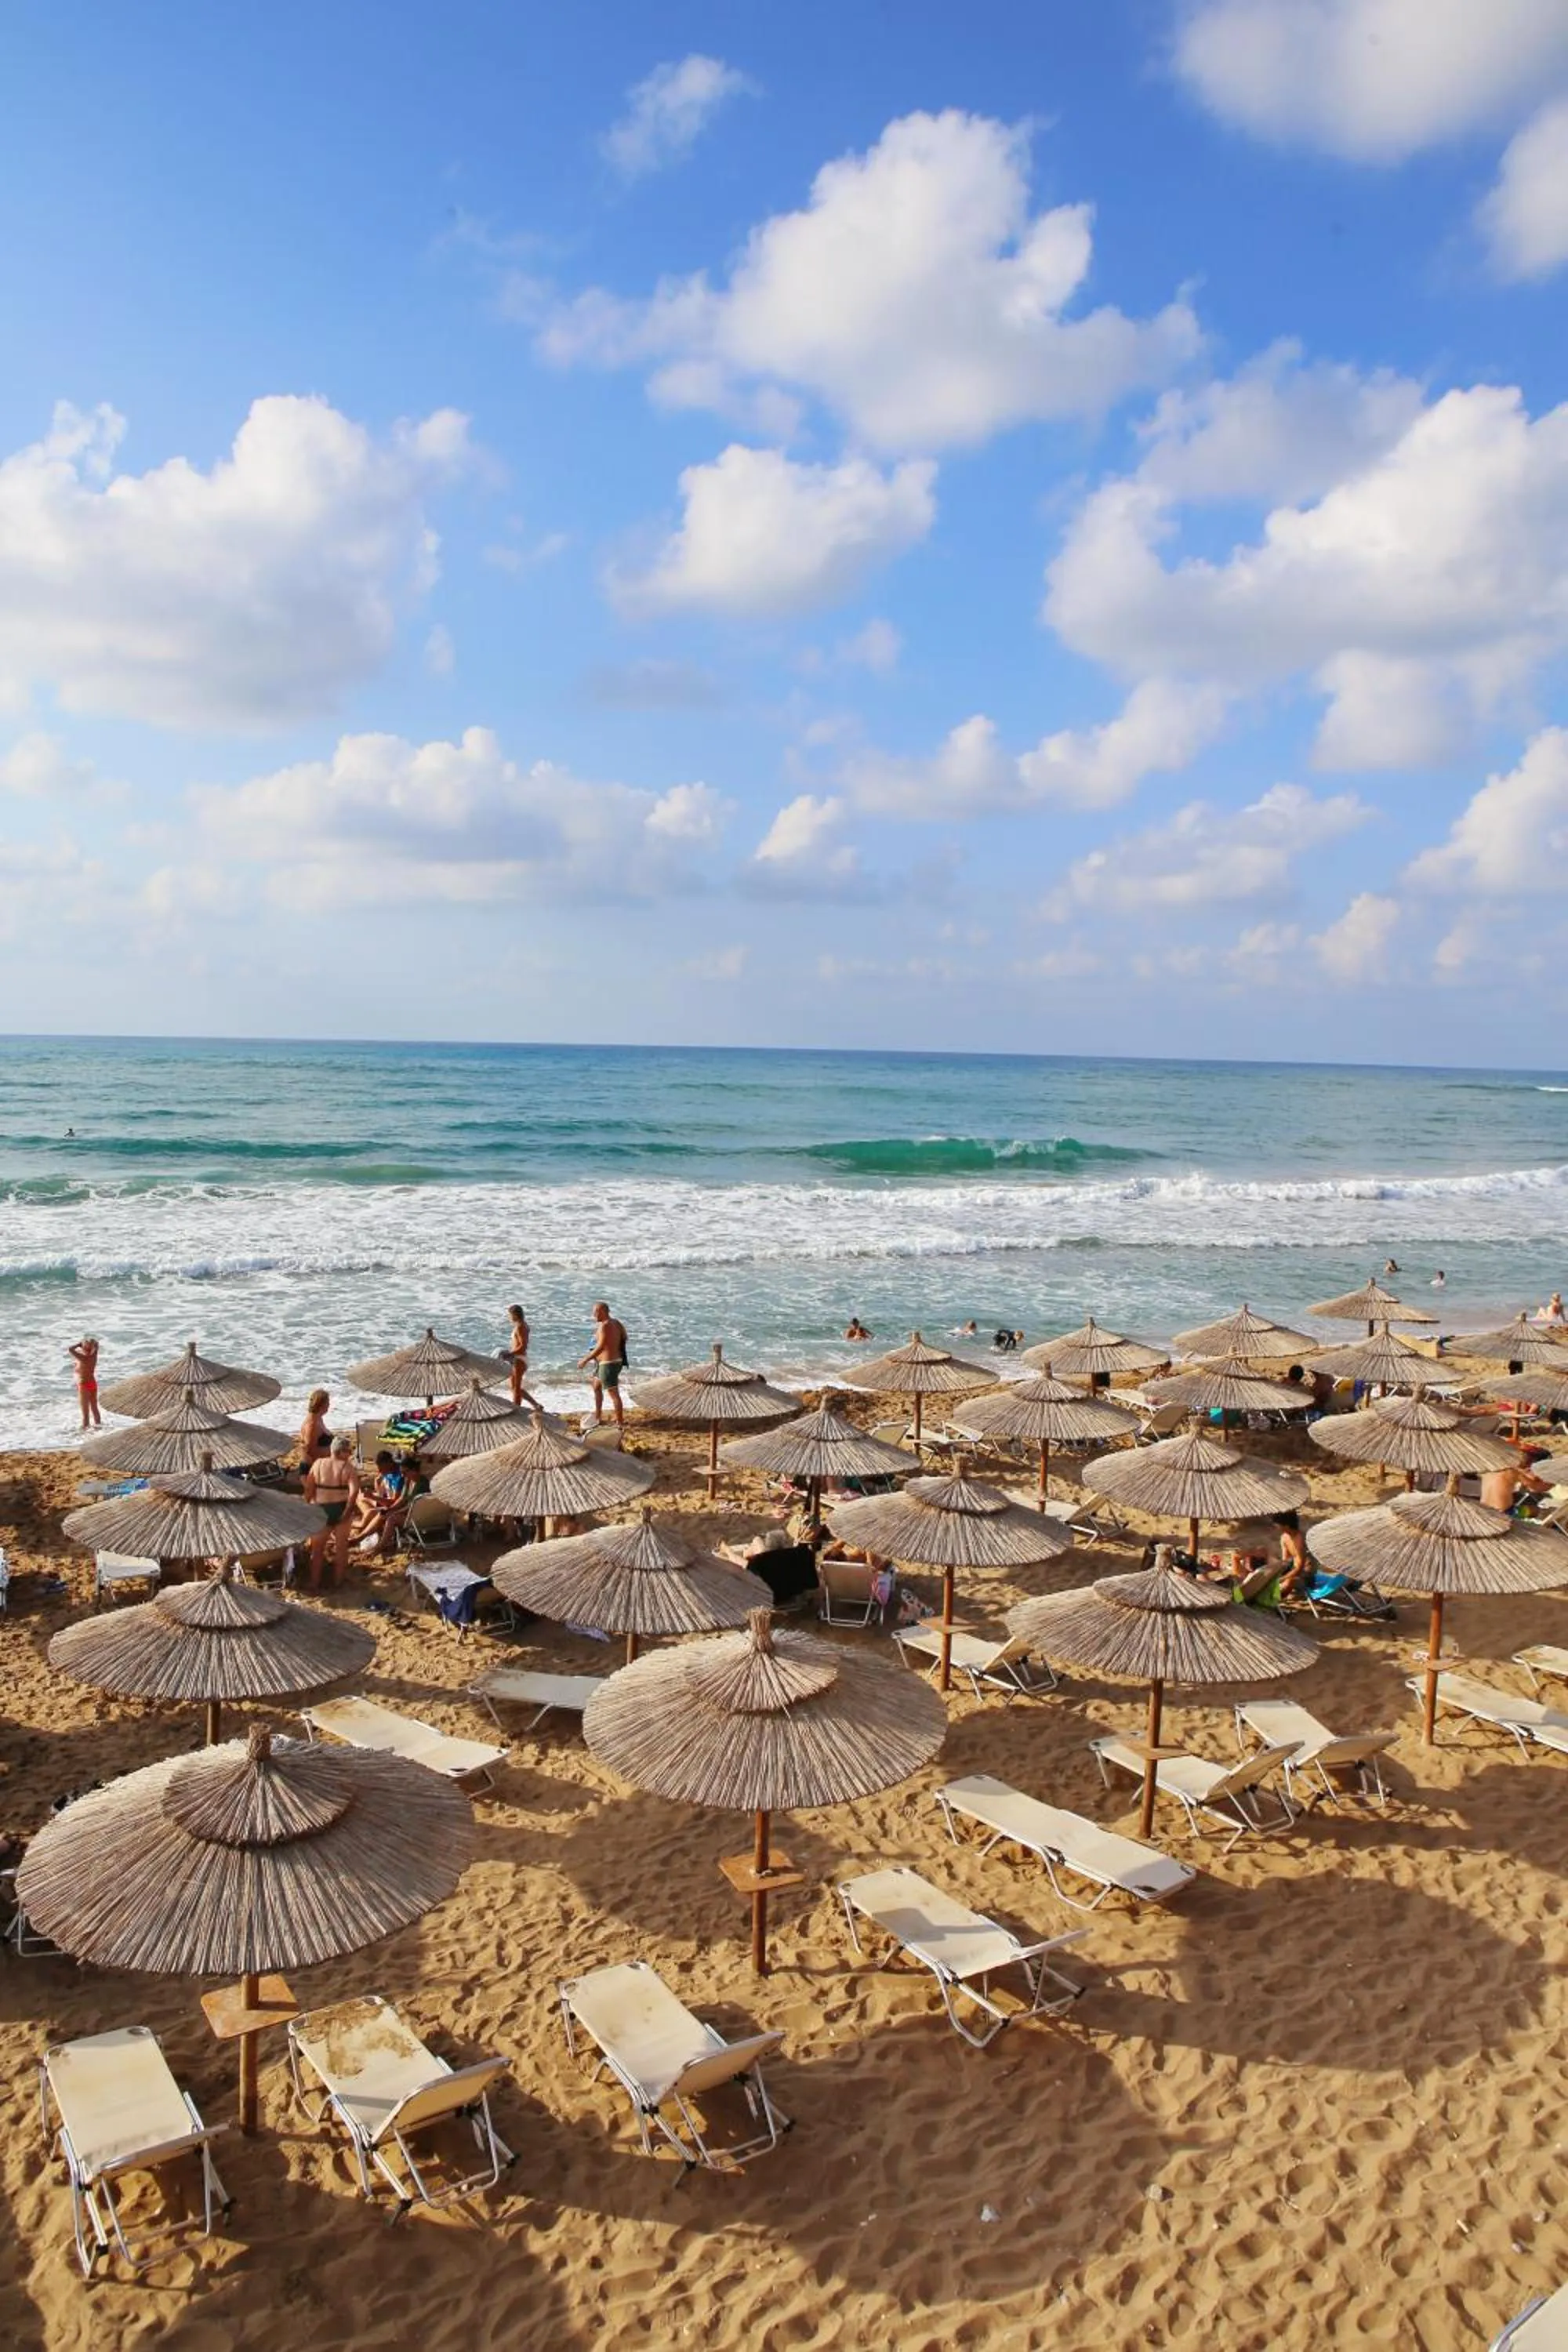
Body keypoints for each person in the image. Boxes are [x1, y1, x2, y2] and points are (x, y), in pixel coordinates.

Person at [304, 1435, 360, 1588]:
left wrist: (307, 1506)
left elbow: (309, 1489)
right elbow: (354, 1492)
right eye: (348, 1452)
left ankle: (314, 1582)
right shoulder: (347, 1468)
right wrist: (348, 1511)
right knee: (341, 1547)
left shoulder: (318, 1464)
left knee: (317, 1549)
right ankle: (338, 1582)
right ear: (341, 1452)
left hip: (321, 1509)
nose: (350, 1455)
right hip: (340, 1507)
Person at [579, 1301, 629, 1428]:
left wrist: (586, 1359)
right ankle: (598, 1416)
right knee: (596, 1386)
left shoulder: (605, 1326)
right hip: (611, 1362)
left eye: (595, 1312)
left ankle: (620, 1422)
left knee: (613, 1393)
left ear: (603, 1312)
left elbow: (600, 1347)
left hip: (608, 1364)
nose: (593, 1315)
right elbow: (624, 1338)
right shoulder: (616, 1323)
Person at [352, 1450, 412, 1556]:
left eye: (380, 1466)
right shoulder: (388, 1473)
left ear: (389, 1463)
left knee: (372, 1513)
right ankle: (366, 1527)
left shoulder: (401, 1478)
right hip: (387, 1503)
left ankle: (362, 1530)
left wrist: (374, 1497)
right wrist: (376, 1483)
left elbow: (396, 1502)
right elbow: (382, 1493)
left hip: (395, 1508)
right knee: (360, 1498)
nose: (379, 1469)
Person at [503, 1304, 537, 1408]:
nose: (509, 1317)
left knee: (516, 1388)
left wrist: (509, 1354)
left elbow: (523, 1346)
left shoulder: (520, 1327)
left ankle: (516, 1409)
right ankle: (536, 1405)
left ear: (515, 1315)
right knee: (514, 1387)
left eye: (510, 1315)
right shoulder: (523, 1325)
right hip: (519, 1358)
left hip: (519, 1359)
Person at [68, 1337, 100, 1430]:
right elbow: (96, 1345)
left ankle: (84, 1435)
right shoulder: (94, 1356)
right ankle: (99, 1429)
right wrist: (86, 1345)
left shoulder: (83, 1358)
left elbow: (70, 1349)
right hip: (92, 1383)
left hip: (84, 1385)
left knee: (85, 1414)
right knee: (95, 1409)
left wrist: (78, 1344)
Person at [298, 1388, 332, 1468]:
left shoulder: (318, 1419)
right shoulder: (312, 1425)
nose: (329, 1405)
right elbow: (310, 1452)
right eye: (328, 1403)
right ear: (321, 1405)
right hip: (315, 1468)